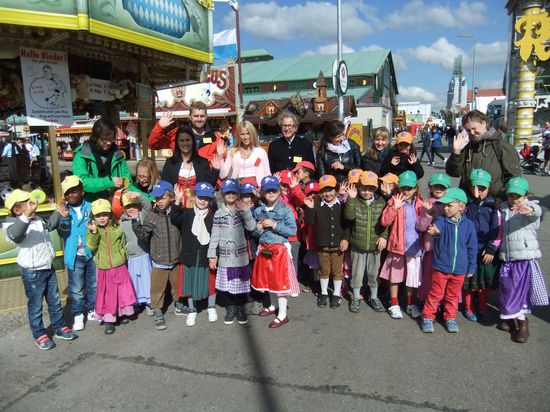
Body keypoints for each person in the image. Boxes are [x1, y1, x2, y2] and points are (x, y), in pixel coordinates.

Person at [3, 189, 77, 350]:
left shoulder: (36, 219)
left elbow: (49, 225)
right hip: (32, 272)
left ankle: (59, 327)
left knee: (55, 301)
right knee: (36, 305)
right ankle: (39, 333)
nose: (33, 204)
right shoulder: (13, 225)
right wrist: (25, 217)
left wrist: (58, 213)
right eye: (27, 203)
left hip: (47, 267)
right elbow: (16, 235)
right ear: (17, 210)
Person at [497, 177, 548, 343]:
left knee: (520, 293)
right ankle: (509, 318)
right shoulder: (504, 208)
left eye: (518, 196)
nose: (514, 199)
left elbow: (537, 211)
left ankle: (523, 324)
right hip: (508, 258)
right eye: (511, 195)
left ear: (525, 195)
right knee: (507, 290)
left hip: (523, 259)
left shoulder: (530, 207)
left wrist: (530, 210)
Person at [421, 188, 477, 333]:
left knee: (452, 296)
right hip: (441, 267)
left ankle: (449, 317)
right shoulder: (441, 220)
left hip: (459, 269)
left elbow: (472, 247)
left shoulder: (469, 225)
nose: (445, 208)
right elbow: (436, 230)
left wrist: (471, 267)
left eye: (449, 205)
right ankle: (428, 316)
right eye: (444, 205)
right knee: (436, 293)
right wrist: (435, 233)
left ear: (461, 206)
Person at [132, 181, 183, 330]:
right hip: (159, 261)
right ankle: (158, 311)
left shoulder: (176, 214)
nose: (158, 201)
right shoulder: (152, 216)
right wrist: (136, 221)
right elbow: (142, 234)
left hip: (175, 259)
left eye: (162, 198)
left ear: (171, 198)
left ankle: (179, 304)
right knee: (157, 289)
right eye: (156, 198)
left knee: (177, 286)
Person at [251, 176, 299, 328]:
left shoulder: (285, 209)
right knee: (268, 280)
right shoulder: (258, 210)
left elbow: (292, 230)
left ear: (279, 191)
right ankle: (273, 305)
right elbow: (255, 232)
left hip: (279, 250)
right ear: (263, 192)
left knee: (280, 282)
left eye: (274, 190)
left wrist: (275, 224)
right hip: (264, 248)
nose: (271, 193)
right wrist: (257, 230)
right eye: (267, 190)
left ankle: (283, 314)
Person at [208, 179, 256, 326]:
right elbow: (215, 235)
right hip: (225, 255)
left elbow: (251, 227)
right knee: (228, 286)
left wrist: (246, 212)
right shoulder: (218, 214)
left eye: (233, 192)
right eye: (227, 192)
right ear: (223, 194)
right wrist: (212, 255)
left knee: (241, 286)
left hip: (240, 256)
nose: (230, 194)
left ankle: (241, 308)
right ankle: (231, 308)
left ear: (238, 194)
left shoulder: (242, 210)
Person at [379, 171, 426, 320]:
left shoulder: (420, 203)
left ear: (415, 189)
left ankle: (411, 304)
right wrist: (395, 207)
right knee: (395, 277)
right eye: (403, 187)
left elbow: (423, 224)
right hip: (397, 245)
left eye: (409, 188)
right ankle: (394, 304)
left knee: (411, 278)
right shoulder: (394, 200)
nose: (406, 191)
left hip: (414, 247)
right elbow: (384, 221)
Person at [86, 199, 137, 335]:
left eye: (104, 214)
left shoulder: (117, 228)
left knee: (121, 290)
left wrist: (123, 256)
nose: (101, 218)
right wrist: (94, 233)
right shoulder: (93, 230)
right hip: (104, 268)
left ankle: (121, 313)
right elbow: (91, 246)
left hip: (119, 265)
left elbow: (122, 243)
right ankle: (109, 319)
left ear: (110, 214)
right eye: (98, 215)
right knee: (108, 293)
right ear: (93, 217)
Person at [171, 182, 218, 327]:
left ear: (210, 200)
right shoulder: (187, 213)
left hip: (206, 255)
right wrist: (178, 201)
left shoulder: (213, 216)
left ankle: (211, 307)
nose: (203, 201)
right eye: (200, 197)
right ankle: (192, 309)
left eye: (206, 198)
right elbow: (174, 218)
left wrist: (214, 255)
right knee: (189, 283)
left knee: (210, 282)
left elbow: (216, 237)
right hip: (189, 254)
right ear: (195, 197)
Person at [446, 110, 521, 198]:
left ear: (484, 123)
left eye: (474, 128)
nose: (472, 133)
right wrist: (456, 152)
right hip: (469, 200)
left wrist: (503, 197)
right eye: (468, 130)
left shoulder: (502, 147)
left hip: (493, 200)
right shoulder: (467, 146)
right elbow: (453, 173)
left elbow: (514, 178)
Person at [56, 176, 97, 331]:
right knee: (76, 288)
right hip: (74, 256)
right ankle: (78, 313)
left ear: (82, 192)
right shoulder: (64, 210)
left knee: (93, 285)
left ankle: (93, 309)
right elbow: (62, 232)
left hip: (90, 253)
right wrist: (64, 218)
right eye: (67, 193)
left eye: (74, 191)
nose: (70, 195)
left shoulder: (91, 207)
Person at [343, 171, 387, 313]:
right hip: (358, 245)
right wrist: (351, 199)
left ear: (375, 188)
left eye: (371, 188)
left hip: (375, 246)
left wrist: (384, 237)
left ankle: (374, 297)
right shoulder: (354, 201)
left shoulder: (381, 202)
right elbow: (349, 217)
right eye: (363, 188)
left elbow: (385, 223)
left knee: (373, 274)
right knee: (357, 273)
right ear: (358, 187)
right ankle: (356, 297)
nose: (367, 192)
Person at [304, 175, 349, 309]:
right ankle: (323, 293)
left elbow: (347, 224)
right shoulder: (316, 204)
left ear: (335, 190)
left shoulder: (341, 204)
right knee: (324, 271)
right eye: (324, 190)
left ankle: (336, 294)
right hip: (322, 245)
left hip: (338, 245)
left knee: (337, 271)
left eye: (330, 190)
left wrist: (345, 238)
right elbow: (310, 222)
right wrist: (310, 208)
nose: (327, 193)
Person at [463, 169, 500, 323]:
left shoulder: (494, 206)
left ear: (489, 187)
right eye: (474, 187)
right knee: (469, 283)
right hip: (470, 250)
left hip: (486, 251)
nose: (478, 192)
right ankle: (468, 307)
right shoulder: (467, 204)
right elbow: (466, 221)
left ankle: (483, 306)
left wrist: (492, 248)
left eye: (482, 188)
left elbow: (497, 229)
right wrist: (475, 202)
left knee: (484, 283)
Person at [72, 117, 137, 202]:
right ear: (96, 137)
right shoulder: (82, 155)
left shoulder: (118, 155)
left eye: (112, 139)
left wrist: (147, 197)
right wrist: (109, 181)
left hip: (116, 204)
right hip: (91, 207)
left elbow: (128, 184)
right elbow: (82, 183)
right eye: (105, 139)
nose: (109, 143)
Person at [161, 125, 221, 207]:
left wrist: (215, 170)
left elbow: (208, 186)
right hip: (177, 208)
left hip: (198, 208)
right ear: (177, 143)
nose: (185, 143)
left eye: (188, 140)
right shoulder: (170, 163)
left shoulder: (202, 162)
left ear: (193, 141)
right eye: (181, 140)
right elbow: (165, 187)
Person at [148, 100, 222, 163]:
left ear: (206, 116)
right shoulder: (176, 133)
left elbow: (221, 162)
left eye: (202, 116)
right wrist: (159, 127)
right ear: (190, 117)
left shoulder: (215, 138)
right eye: (196, 116)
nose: (199, 119)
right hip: (182, 178)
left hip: (206, 178)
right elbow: (153, 145)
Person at [416, 173, 450, 302]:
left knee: (444, 277)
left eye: (442, 187)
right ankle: (427, 301)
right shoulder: (427, 204)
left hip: (447, 248)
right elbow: (420, 226)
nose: (439, 189)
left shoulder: (451, 203)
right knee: (430, 277)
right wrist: (429, 213)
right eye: (436, 186)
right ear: (430, 188)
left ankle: (443, 302)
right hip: (432, 248)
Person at [119, 191, 153, 316]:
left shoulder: (142, 216)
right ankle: (137, 302)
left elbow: (148, 205)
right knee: (134, 282)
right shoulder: (121, 222)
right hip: (132, 257)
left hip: (144, 254)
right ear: (124, 209)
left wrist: (138, 196)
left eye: (134, 205)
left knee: (147, 280)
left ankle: (150, 303)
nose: (131, 209)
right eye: (128, 206)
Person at [219, 120, 271, 186]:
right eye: (242, 134)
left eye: (248, 133)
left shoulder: (261, 152)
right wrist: (220, 157)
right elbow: (222, 175)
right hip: (238, 189)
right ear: (238, 135)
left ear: (252, 134)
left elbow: (267, 174)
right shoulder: (232, 151)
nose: (245, 137)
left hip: (257, 189)